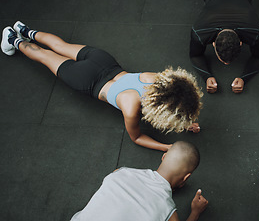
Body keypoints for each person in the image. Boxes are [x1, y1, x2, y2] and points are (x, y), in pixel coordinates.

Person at [1, 22, 204, 151]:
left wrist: (184, 122)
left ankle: (23, 30)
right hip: (86, 80)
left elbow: (171, 99)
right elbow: (137, 137)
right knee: (45, 56)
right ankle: (12, 39)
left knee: (60, 46)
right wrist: (166, 147)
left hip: (103, 61)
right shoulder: (132, 106)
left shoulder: (156, 78)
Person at [71, 141, 208, 221]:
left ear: (164, 156)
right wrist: (195, 212)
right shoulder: (168, 210)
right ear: (186, 177)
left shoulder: (120, 172)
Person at [190, 0, 259, 94]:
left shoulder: (256, 30)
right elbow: (195, 55)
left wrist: (244, 78)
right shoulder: (200, 31)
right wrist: (206, 76)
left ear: (214, 44)